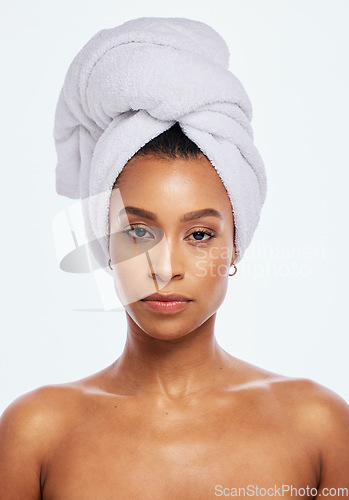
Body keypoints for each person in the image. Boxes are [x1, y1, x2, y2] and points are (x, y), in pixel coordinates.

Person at [1, 19, 348, 499]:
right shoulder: (34, 432)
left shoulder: (320, 428)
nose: (164, 267)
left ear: (236, 245)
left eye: (200, 234)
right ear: (104, 242)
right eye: (139, 231)